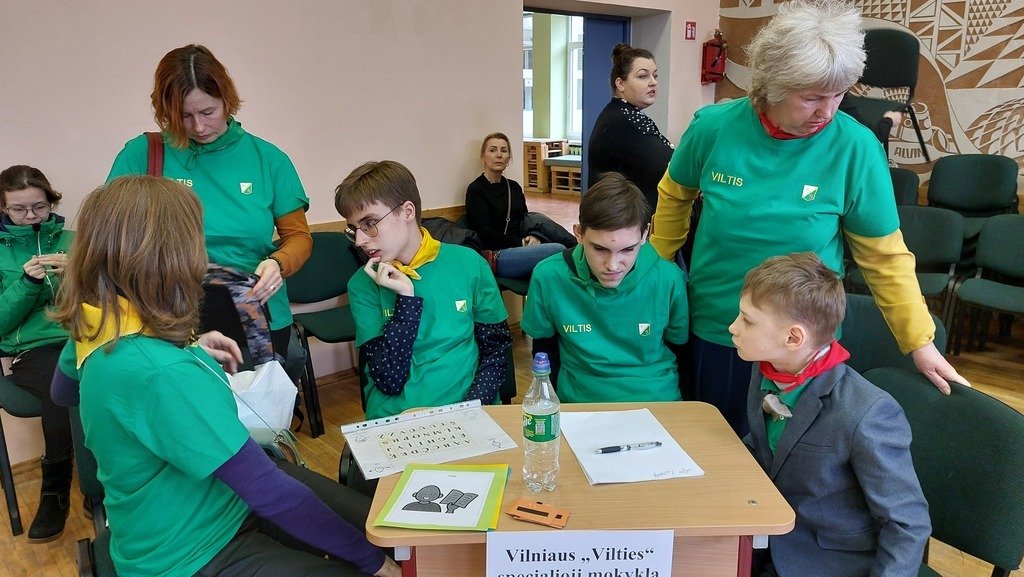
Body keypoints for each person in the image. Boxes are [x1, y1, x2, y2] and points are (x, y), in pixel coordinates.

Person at [49, 175, 400, 577]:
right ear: (171, 257)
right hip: (193, 553)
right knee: (366, 554)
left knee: (367, 521)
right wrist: (375, 563)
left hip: (179, 519)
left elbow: (64, 391)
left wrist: (187, 347)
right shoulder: (163, 373)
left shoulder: (95, 326)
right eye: (196, 240)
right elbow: (268, 492)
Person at [650, 0, 967, 436]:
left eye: (839, 94)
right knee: (717, 444)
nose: (828, 111)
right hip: (721, 326)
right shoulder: (712, 128)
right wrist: (658, 262)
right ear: (772, 86)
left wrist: (919, 341)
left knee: (795, 455)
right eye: (812, 97)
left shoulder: (856, 148)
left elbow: (884, 256)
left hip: (802, 340)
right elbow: (674, 193)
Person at [107, 44, 312, 364]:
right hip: (167, 312)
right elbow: (109, 235)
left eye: (208, 112)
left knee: (258, 394)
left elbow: (298, 237)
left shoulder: (268, 159)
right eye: (184, 116)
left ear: (227, 100)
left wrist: (278, 263)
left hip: (253, 308)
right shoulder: (143, 154)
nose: (199, 127)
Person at [734, 252, 929, 577]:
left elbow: (907, 525)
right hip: (764, 538)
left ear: (793, 338)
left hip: (828, 563)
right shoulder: (766, 369)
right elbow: (765, 447)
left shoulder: (867, 413)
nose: (733, 327)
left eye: (748, 321)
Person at [336, 160, 512, 419]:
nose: (360, 240)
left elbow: (495, 351)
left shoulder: (468, 264)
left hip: (468, 410)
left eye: (369, 223)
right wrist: (406, 301)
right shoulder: (362, 284)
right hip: (395, 419)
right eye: (353, 229)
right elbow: (389, 380)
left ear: (407, 211)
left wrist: (470, 410)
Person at [521, 172, 688, 402]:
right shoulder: (549, 276)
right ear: (579, 233)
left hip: (657, 399)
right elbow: (544, 353)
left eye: (627, 250)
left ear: (645, 235)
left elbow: (681, 351)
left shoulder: (669, 279)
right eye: (600, 249)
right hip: (581, 403)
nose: (613, 265)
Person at [0, 165, 74, 542]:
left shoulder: (74, 241)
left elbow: (108, 297)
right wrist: (27, 283)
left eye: (39, 207)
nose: (30, 216)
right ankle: (56, 490)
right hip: (31, 350)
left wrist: (76, 274)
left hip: (82, 336)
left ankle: (117, 481)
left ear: (51, 202)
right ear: (3, 208)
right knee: (63, 381)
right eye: (18, 209)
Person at [465, 132, 575, 279]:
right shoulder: (476, 190)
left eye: (504, 151)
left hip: (522, 247)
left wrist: (533, 236)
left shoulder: (514, 187)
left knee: (559, 247)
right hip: (497, 255)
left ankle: (580, 251)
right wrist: (521, 243)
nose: (499, 155)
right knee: (558, 250)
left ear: (509, 158)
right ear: (483, 157)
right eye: (492, 150)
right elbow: (485, 235)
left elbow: (524, 220)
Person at [587, 43, 674, 216]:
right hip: (618, 221)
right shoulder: (623, 120)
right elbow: (671, 165)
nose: (653, 82)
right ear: (620, 84)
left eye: (655, 75)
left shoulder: (621, 113)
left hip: (622, 216)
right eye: (643, 76)